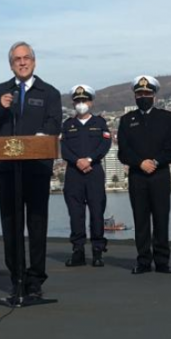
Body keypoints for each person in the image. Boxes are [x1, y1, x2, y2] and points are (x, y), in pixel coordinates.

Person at [0, 41, 62, 297]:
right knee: (11, 224)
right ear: (11, 64)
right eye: (17, 59)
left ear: (34, 61)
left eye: (27, 58)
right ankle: (16, 277)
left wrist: (37, 140)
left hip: (36, 168)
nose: (23, 62)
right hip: (7, 170)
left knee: (37, 225)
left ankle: (35, 280)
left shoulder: (49, 92)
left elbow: (54, 124)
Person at [116, 75, 171, 274]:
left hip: (160, 175)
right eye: (139, 93)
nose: (143, 96)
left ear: (154, 95)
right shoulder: (126, 120)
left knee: (161, 219)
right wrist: (140, 163)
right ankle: (143, 260)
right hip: (137, 176)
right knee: (140, 220)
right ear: (135, 96)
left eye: (147, 93)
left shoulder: (167, 117)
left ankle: (162, 261)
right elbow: (123, 152)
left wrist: (155, 161)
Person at [60, 85, 112, 267]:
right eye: (78, 101)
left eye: (84, 100)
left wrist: (89, 159)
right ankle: (78, 251)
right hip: (73, 173)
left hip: (94, 171)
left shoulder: (100, 123)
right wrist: (77, 161)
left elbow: (105, 145)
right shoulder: (67, 125)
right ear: (73, 103)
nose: (81, 104)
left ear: (91, 102)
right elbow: (63, 148)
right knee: (76, 214)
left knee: (97, 212)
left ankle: (97, 251)